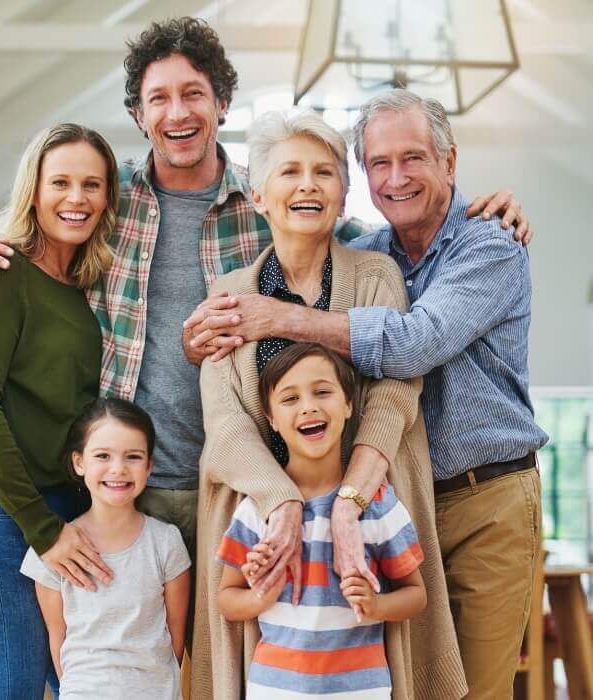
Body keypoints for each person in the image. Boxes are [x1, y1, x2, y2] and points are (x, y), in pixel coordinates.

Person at [0, 17, 532, 589]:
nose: (178, 113)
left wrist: (477, 205)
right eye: (159, 98)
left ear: (222, 103)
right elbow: (41, 234)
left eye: (193, 94)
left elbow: (379, 235)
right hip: (125, 483)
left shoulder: (270, 195)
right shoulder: (107, 201)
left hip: (250, 486)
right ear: (138, 115)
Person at [188, 90, 547, 699]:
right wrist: (287, 504)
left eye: (324, 172)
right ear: (257, 194)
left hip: (442, 503)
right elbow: (224, 424)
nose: (397, 177)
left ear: (450, 163)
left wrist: (347, 500)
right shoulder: (250, 286)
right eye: (380, 163)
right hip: (273, 532)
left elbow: (402, 368)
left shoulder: (473, 247)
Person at [0, 123, 119, 698]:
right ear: (33, 189)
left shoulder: (83, 283)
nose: (76, 198)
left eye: (92, 184)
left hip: (62, 508)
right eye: (60, 181)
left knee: (76, 686)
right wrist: (43, 529)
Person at [217, 342, 427, 699]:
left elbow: (416, 595)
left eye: (322, 392)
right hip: (274, 691)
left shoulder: (378, 504)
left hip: (362, 692)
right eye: (290, 399)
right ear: (271, 419)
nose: (309, 406)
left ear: (348, 406)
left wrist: (376, 606)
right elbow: (227, 599)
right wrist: (260, 595)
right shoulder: (257, 511)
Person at [20, 398, 191, 700]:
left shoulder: (166, 542)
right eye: (102, 455)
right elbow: (57, 640)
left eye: (133, 457)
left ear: (150, 465)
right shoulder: (50, 553)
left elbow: (176, 640)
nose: (118, 469)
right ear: (79, 462)